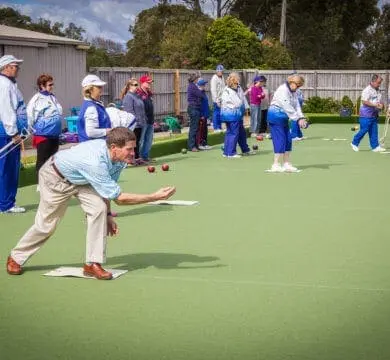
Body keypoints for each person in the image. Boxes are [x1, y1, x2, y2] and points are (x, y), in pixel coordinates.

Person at [6, 127, 176, 279]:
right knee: (46, 225)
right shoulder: (95, 162)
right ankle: (16, 257)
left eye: (133, 148)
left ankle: (92, 264)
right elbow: (120, 198)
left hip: (83, 179)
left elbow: (107, 190)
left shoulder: (119, 159)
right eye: (129, 149)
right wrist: (154, 197)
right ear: (114, 148)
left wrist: (108, 215)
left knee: (99, 209)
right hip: (55, 178)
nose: (133, 153)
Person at [0, 55, 27, 214]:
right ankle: (6, 204)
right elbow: (6, 110)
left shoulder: (9, 84)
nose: (18, 69)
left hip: (7, 134)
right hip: (6, 135)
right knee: (7, 169)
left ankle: (6, 202)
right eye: (16, 66)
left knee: (8, 169)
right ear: (7, 67)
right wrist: (13, 133)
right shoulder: (4, 85)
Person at [267, 74, 308, 172]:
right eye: (297, 85)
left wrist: (301, 117)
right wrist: (298, 119)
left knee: (288, 140)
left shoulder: (294, 91)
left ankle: (286, 163)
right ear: (292, 82)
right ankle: (275, 164)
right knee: (280, 140)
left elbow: (297, 105)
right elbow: (287, 106)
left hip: (284, 118)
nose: (298, 88)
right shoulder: (283, 90)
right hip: (275, 117)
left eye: (300, 86)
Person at [27, 74, 63, 185]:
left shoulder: (52, 97)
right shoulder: (36, 99)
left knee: (52, 160)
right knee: (42, 160)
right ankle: (40, 184)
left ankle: (51, 182)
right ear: (42, 85)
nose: (52, 86)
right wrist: (30, 129)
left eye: (52, 84)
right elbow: (30, 115)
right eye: (49, 84)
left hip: (54, 135)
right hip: (43, 135)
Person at [221, 72, 254, 158]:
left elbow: (243, 99)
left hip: (237, 114)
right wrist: (246, 93)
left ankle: (245, 150)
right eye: (237, 78)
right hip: (231, 115)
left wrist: (247, 107)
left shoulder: (238, 87)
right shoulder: (227, 90)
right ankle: (230, 153)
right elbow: (238, 103)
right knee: (233, 133)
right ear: (234, 79)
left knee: (241, 132)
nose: (239, 79)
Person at [351, 74, 386, 152]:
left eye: (380, 83)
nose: (379, 84)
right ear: (373, 81)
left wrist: (381, 105)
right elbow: (364, 101)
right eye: (378, 83)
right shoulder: (367, 90)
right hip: (365, 114)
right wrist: (375, 105)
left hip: (374, 114)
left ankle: (375, 147)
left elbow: (379, 101)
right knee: (364, 129)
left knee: (374, 130)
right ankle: (354, 143)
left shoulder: (378, 90)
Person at [77, 74, 111, 142]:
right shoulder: (91, 107)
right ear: (90, 89)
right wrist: (109, 131)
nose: (101, 89)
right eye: (99, 87)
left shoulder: (93, 104)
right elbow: (91, 132)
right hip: (92, 146)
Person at [121, 78, 147, 165]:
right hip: (133, 125)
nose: (137, 86)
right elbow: (129, 112)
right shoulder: (128, 97)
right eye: (135, 85)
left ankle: (137, 158)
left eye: (137, 84)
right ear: (129, 86)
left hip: (140, 123)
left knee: (138, 141)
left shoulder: (137, 96)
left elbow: (141, 109)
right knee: (132, 143)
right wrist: (135, 122)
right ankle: (130, 160)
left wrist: (143, 120)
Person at [137, 75, 155, 163]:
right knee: (141, 140)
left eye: (150, 82)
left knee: (149, 139)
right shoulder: (138, 93)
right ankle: (139, 158)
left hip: (151, 119)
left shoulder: (149, 93)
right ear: (142, 82)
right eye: (148, 82)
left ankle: (145, 156)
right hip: (143, 120)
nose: (150, 84)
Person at [187, 73, 204, 152]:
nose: (198, 80)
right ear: (194, 79)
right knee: (194, 128)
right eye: (197, 78)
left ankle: (195, 145)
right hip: (193, 108)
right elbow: (200, 95)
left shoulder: (194, 86)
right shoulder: (192, 86)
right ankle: (191, 146)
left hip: (195, 108)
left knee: (196, 128)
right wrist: (201, 90)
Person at [196, 78, 212, 150]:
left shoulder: (203, 92)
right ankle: (199, 144)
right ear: (199, 85)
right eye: (203, 84)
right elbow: (199, 105)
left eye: (204, 84)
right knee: (201, 130)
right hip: (201, 115)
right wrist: (201, 115)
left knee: (205, 130)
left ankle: (204, 143)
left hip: (205, 115)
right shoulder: (198, 93)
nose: (204, 86)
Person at [210, 64, 225, 133]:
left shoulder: (222, 77)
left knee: (220, 113)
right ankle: (216, 128)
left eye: (222, 71)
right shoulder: (214, 78)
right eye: (220, 71)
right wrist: (216, 100)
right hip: (217, 99)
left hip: (222, 99)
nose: (221, 72)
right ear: (217, 71)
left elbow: (224, 88)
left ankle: (219, 127)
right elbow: (213, 90)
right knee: (216, 113)